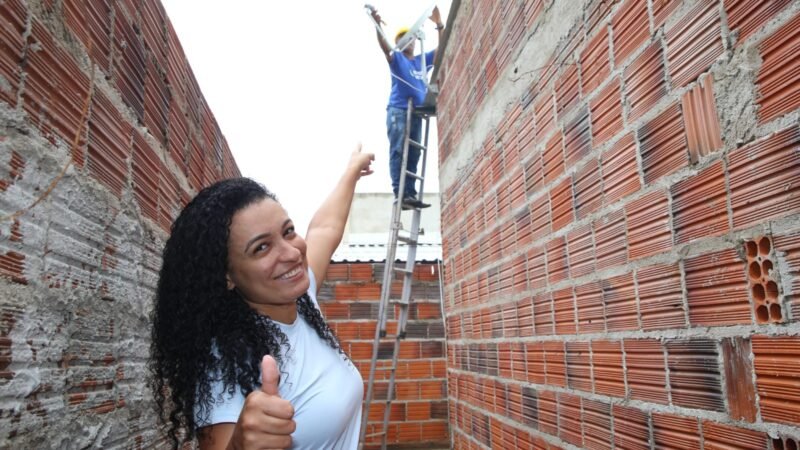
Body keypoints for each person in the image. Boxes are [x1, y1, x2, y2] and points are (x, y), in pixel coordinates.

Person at [149, 147, 375, 450]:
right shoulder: (226, 363)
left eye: (288, 231)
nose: (292, 253)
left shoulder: (300, 298)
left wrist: (352, 170)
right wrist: (240, 446)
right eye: (261, 248)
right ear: (227, 276)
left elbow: (325, 228)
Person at [370, 5, 444, 210]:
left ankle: (409, 194)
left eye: (409, 37)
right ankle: (400, 193)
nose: (407, 41)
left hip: (417, 114)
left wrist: (439, 24)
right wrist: (377, 25)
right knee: (399, 150)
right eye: (402, 39)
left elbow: (443, 49)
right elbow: (385, 47)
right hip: (399, 111)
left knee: (414, 153)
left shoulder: (422, 60)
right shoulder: (398, 59)